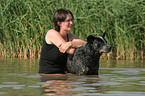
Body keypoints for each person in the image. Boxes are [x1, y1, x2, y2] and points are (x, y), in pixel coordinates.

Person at [39, 8, 86, 74]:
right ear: (59, 23)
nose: (71, 23)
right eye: (68, 21)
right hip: (48, 76)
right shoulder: (51, 33)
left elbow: (86, 45)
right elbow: (71, 51)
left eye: (72, 20)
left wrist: (70, 44)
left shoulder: (70, 37)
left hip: (63, 74)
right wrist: (74, 44)